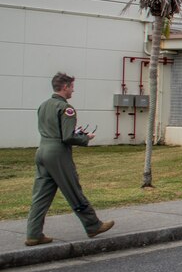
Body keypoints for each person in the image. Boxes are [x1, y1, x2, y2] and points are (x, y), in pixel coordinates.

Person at [25, 72, 115, 246]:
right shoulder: (67, 108)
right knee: (73, 189)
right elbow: (67, 136)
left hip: (42, 150)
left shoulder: (44, 105)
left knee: (41, 195)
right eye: (72, 86)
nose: (73, 90)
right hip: (58, 153)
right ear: (65, 87)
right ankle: (93, 225)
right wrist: (85, 138)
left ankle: (33, 233)